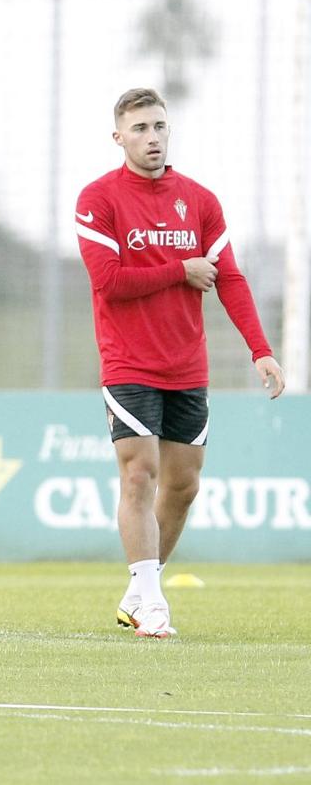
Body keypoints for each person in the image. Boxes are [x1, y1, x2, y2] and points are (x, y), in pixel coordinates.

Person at [75, 87, 284, 639]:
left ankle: (138, 592)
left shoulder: (200, 200)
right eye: (140, 128)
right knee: (138, 473)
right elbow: (110, 282)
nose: (152, 138)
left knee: (184, 485)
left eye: (160, 126)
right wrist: (180, 269)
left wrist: (260, 349)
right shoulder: (99, 198)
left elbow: (230, 277)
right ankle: (151, 601)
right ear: (118, 136)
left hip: (187, 365)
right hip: (128, 362)